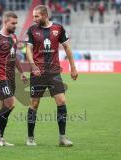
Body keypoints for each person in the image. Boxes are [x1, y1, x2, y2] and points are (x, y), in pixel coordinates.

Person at [25, 5, 78, 147]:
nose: (34, 18)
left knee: (61, 101)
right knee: (34, 104)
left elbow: (67, 47)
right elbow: (28, 49)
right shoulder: (32, 30)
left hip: (54, 72)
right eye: (33, 16)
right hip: (38, 72)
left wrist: (73, 67)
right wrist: (32, 65)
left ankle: (62, 138)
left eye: (36, 16)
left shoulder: (58, 28)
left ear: (44, 15)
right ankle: (30, 138)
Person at [0, 11, 27, 147]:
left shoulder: (13, 38)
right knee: (11, 103)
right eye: (13, 23)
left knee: (5, 106)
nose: (15, 25)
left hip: (10, 77)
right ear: (5, 22)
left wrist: (21, 72)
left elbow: (14, 57)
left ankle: (0, 136)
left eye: (16, 23)